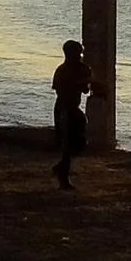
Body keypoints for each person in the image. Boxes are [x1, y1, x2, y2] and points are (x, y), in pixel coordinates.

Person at [50, 38, 94, 189]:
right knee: (67, 144)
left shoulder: (82, 68)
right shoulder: (62, 70)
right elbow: (60, 90)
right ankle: (63, 177)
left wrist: (85, 80)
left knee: (79, 141)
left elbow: (86, 89)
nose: (79, 56)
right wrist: (78, 82)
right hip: (63, 107)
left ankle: (61, 167)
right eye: (77, 53)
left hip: (72, 108)